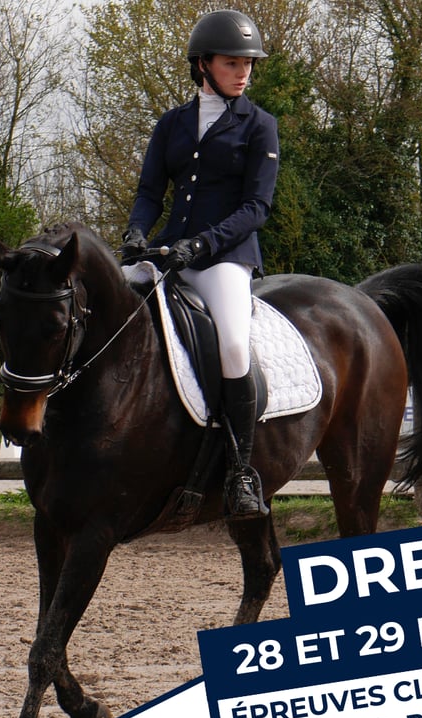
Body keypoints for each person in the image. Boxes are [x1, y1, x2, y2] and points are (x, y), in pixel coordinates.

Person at [122, 9, 279, 519]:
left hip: (224, 258)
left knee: (232, 344)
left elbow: (256, 208)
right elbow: (150, 192)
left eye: (248, 63)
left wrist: (204, 244)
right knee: (102, 312)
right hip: (169, 252)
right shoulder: (171, 124)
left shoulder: (259, 126)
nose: (243, 72)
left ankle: (241, 472)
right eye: (232, 62)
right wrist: (136, 232)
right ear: (203, 64)